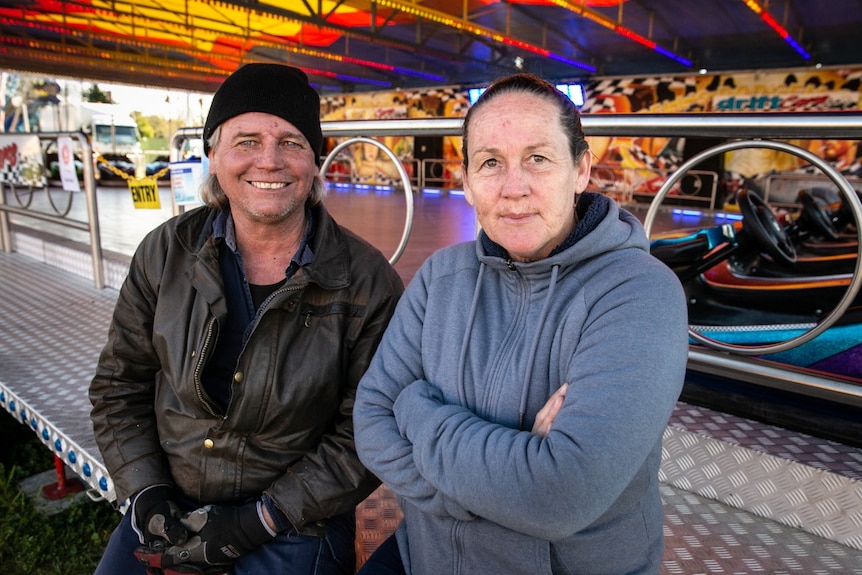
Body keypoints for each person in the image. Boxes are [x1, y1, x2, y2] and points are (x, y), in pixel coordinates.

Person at [352, 73, 689, 575]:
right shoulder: (442, 275)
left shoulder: (638, 291)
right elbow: (372, 423)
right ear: (465, 183)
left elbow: (559, 495)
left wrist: (417, 411)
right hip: (425, 555)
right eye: (490, 163)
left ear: (580, 171)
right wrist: (506, 484)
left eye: (538, 158)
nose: (514, 189)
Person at [89, 63, 404, 575]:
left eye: (292, 142)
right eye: (247, 140)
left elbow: (368, 432)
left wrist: (256, 522)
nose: (269, 160)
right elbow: (118, 386)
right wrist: (147, 496)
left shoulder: (367, 282)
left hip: (295, 517)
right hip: (169, 500)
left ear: (315, 161)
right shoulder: (164, 253)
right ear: (213, 155)